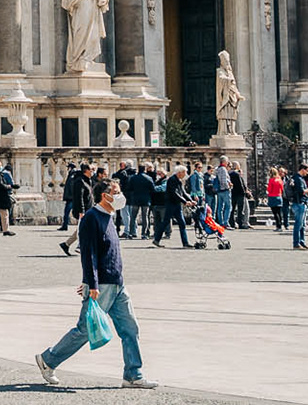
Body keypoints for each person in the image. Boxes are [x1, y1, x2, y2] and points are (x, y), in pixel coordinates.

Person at [33, 177, 156, 390]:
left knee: (130, 329)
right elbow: (87, 254)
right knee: (85, 330)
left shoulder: (110, 215)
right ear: (104, 195)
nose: (120, 195)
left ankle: (133, 374)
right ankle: (48, 359)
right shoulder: (91, 218)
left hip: (117, 283)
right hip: (103, 285)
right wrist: (91, 283)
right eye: (116, 192)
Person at [154, 166, 191, 249]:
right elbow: (174, 193)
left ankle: (185, 243)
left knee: (182, 223)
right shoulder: (172, 180)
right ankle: (157, 239)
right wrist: (185, 201)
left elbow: (183, 192)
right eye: (184, 172)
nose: (185, 174)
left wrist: (190, 200)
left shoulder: (178, 180)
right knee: (165, 222)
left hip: (177, 204)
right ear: (179, 172)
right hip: (171, 204)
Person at [123, 164, 155, 240]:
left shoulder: (133, 178)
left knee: (133, 217)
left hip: (135, 199)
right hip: (146, 199)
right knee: (145, 217)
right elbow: (153, 189)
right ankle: (144, 234)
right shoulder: (149, 178)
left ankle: (131, 233)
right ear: (145, 169)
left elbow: (129, 188)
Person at [285, 164, 308, 250]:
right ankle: (296, 243)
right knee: (298, 224)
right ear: (303, 169)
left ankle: (301, 241)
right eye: (307, 170)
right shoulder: (298, 179)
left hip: (298, 202)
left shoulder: (296, 177)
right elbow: (302, 191)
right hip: (299, 203)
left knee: (302, 224)